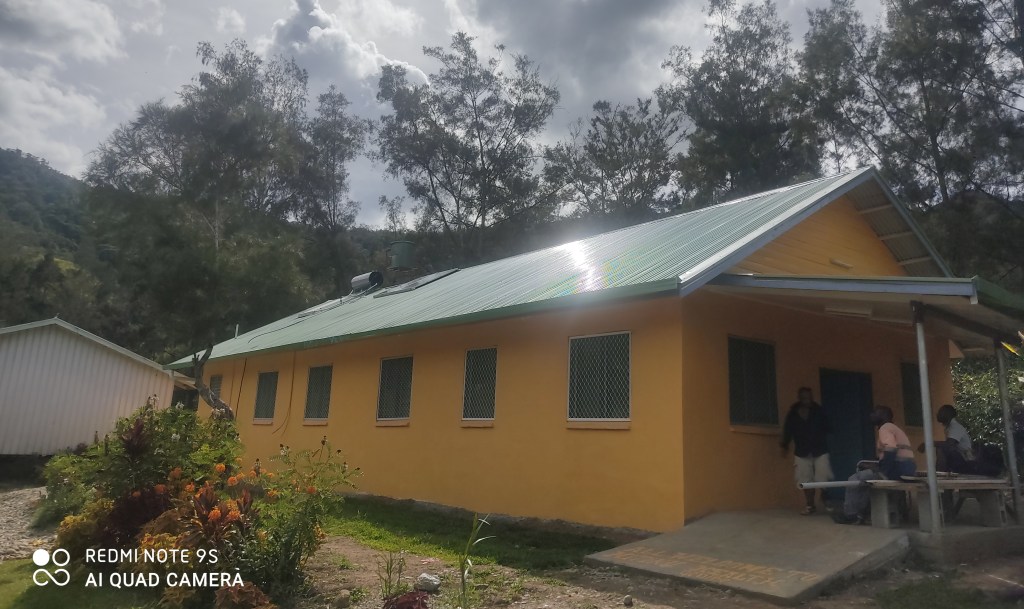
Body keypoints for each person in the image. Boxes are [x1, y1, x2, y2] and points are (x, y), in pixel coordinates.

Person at [833, 406, 916, 525]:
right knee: (867, 477)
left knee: (855, 479)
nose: (871, 415)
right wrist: (873, 465)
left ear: (884, 415)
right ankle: (863, 514)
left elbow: (891, 449)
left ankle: (851, 515)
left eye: (875, 412)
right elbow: (889, 454)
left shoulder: (885, 428)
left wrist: (881, 470)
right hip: (906, 469)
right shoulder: (894, 428)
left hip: (896, 470)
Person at [780, 387, 832, 515]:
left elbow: (828, 426)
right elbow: (788, 430)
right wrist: (784, 445)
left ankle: (825, 498)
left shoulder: (819, 411)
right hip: (801, 450)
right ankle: (810, 505)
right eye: (804, 397)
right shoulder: (793, 413)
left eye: (809, 397)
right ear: (799, 398)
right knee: (804, 479)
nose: (807, 399)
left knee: (823, 476)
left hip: (820, 449)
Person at [918, 405, 974, 473]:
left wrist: (928, 444)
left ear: (948, 414)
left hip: (966, 460)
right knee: (942, 448)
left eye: (941, 412)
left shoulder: (955, 426)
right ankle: (940, 473)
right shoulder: (949, 427)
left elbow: (949, 444)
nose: (938, 414)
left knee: (943, 448)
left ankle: (939, 474)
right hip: (959, 458)